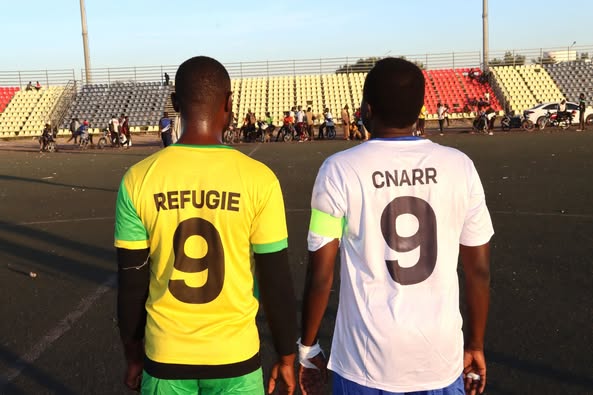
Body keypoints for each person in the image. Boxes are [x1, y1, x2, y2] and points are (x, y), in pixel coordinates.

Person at [298, 57, 493, 395]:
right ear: (421, 109)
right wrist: (475, 344)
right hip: (440, 358)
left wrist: (307, 347)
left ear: (367, 108)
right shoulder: (461, 167)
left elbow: (321, 273)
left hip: (364, 361)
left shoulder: (337, 170)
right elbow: (478, 271)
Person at [114, 56, 297, 395]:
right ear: (229, 103)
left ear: (174, 105)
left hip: (166, 356)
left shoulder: (137, 180)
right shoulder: (260, 180)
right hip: (236, 358)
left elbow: (131, 282)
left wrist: (133, 355)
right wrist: (287, 356)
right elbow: (276, 281)